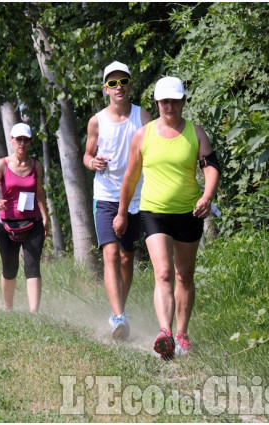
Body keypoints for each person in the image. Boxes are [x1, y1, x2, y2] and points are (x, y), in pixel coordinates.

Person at [113, 76, 221, 359]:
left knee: (184, 275)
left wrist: (207, 196)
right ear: (157, 103)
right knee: (163, 273)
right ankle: (165, 333)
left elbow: (211, 167)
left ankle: (183, 334)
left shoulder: (196, 134)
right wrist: (122, 212)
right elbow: (130, 177)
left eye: (174, 100)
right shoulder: (143, 135)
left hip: (189, 212)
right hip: (154, 212)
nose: (169, 106)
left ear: (184, 101)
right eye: (164, 101)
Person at [83, 61, 152, 340]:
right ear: (105, 90)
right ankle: (119, 316)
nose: (118, 87)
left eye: (123, 81)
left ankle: (118, 310)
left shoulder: (143, 116)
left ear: (131, 84)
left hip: (136, 197)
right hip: (106, 196)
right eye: (112, 83)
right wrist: (92, 162)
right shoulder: (97, 120)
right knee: (110, 254)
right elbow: (87, 155)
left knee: (127, 257)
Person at [0, 123, 50, 313]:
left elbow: (39, 194)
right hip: (7, 224)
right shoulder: (2, 164)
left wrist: (45, 217)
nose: (22, 143)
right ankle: (8, 308)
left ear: (30, 142)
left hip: (33, 222)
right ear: (11, 140)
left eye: (26, 139)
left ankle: (34, 313)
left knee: (32, 266)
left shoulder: (36, 165)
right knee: (10, 268)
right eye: (19, 139)